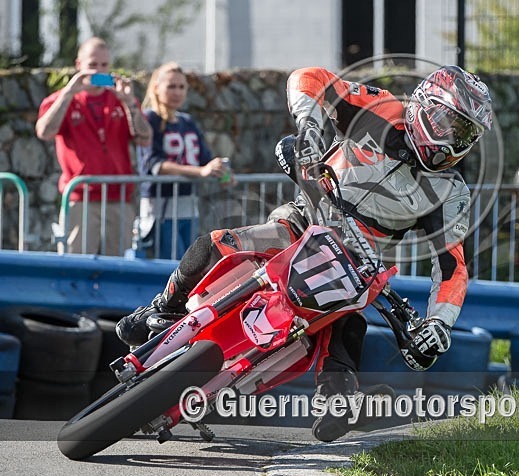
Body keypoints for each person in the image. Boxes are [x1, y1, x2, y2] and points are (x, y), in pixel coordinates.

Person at [116, 65, 493, 441]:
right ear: (424, 106)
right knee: (217, 242)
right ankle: (161, 307)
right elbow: (310, 77)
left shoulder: (450, 192)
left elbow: (452, 266)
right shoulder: (380, 108)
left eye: (466, 135)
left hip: (355, 262)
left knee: (348, 321)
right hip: (303, 220)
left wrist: (439, 323)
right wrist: (309, 127)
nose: (453, 143)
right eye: (450, 124)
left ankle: (337, 401)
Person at [35, 37, 152, 255]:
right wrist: (68, 93)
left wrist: (129, 103)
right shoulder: (61, 99)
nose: (98, 70)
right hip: (81, 198)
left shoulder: (121, 99)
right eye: (92, 65)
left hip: (119, 197)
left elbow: (144, 138)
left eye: (104, 65)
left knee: (118, 269)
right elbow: (44, 132)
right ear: (78, 66)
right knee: (76, 268)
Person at [137, 62, 230, 260]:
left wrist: (222, 172)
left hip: (188, 207)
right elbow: (155, 165)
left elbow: (205, 158)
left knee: (189, 267)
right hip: (161, 208)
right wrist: (200, 172)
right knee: (170, 267)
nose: (177, 92)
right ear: (156, 88)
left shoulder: (187, 121)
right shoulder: (149, 119)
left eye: (181, 87)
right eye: (171, 86)